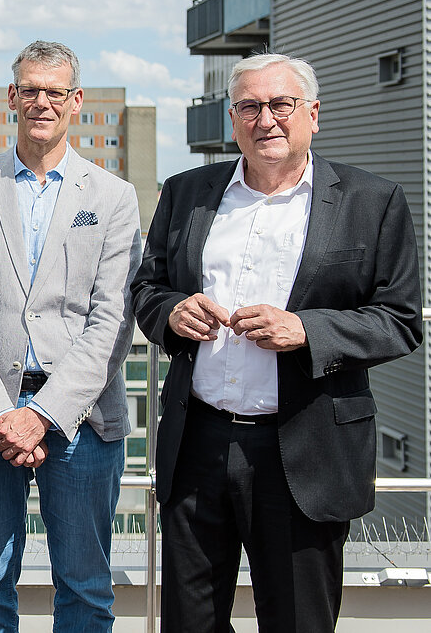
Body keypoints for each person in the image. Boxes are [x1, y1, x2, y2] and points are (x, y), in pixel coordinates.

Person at [131, 53, 422, 631]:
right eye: (249, 107)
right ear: (232, 120)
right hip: (198, 445)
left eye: (281, 105)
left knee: (296, 621)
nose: (266, 119)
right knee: (190, 622)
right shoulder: (187, 191)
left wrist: (308, 330)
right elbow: (147, 286)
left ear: (313, 114)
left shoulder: (373, 201)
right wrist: (172, 312)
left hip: (304, 450)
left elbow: (400, 320)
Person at [0, 40, 142, 632]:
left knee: (86, 587)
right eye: (29, 89)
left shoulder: (113, 197)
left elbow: (112, 320)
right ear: (11, 98)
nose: (42, 101)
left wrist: (43, 413)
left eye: (55, 92)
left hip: (83, 421)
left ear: (76, 101)